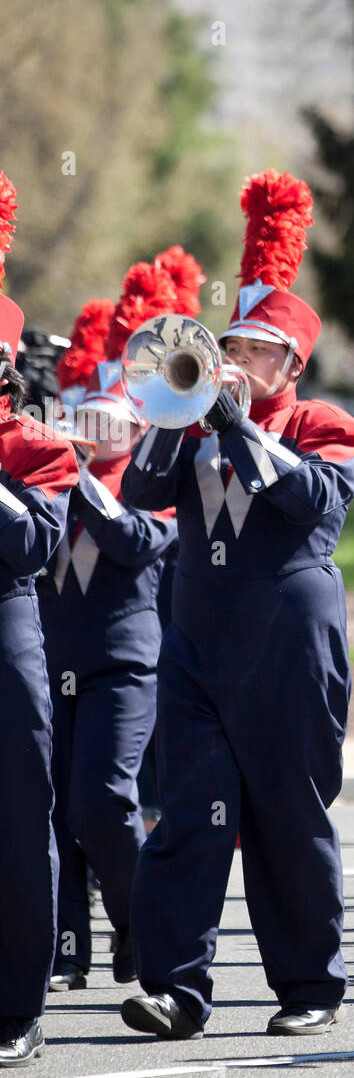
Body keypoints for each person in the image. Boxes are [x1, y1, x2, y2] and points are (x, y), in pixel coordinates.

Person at [119, 170, 354, 1040]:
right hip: (199, 635)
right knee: (188, 810)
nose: (236, 360)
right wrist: (173, 412)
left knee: (283, 812)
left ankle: (309, 986)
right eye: (231, 344)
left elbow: (313, 503)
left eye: (256, 349)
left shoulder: (325, 425)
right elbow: (143, 487)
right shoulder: (193, 421)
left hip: (287, 638)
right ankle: (175, 987)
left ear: (292, 364)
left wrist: (233, 423)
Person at [39, 266, 179, 991]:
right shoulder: (54, 481)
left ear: (135, 425)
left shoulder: (154, 485)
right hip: (50, 661)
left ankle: (136, 924)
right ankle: (69, 950)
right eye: (82, 418)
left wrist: (81, 479)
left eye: (108, 420)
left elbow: (134, 543)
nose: (91, 431)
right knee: (54, 808)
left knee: (105, 801)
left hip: (124, 664)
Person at [0, 172, 80, 1067]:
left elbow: (30, 548)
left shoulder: (40, 448)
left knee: (20, 815)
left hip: (7, 627)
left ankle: (18, 1004)